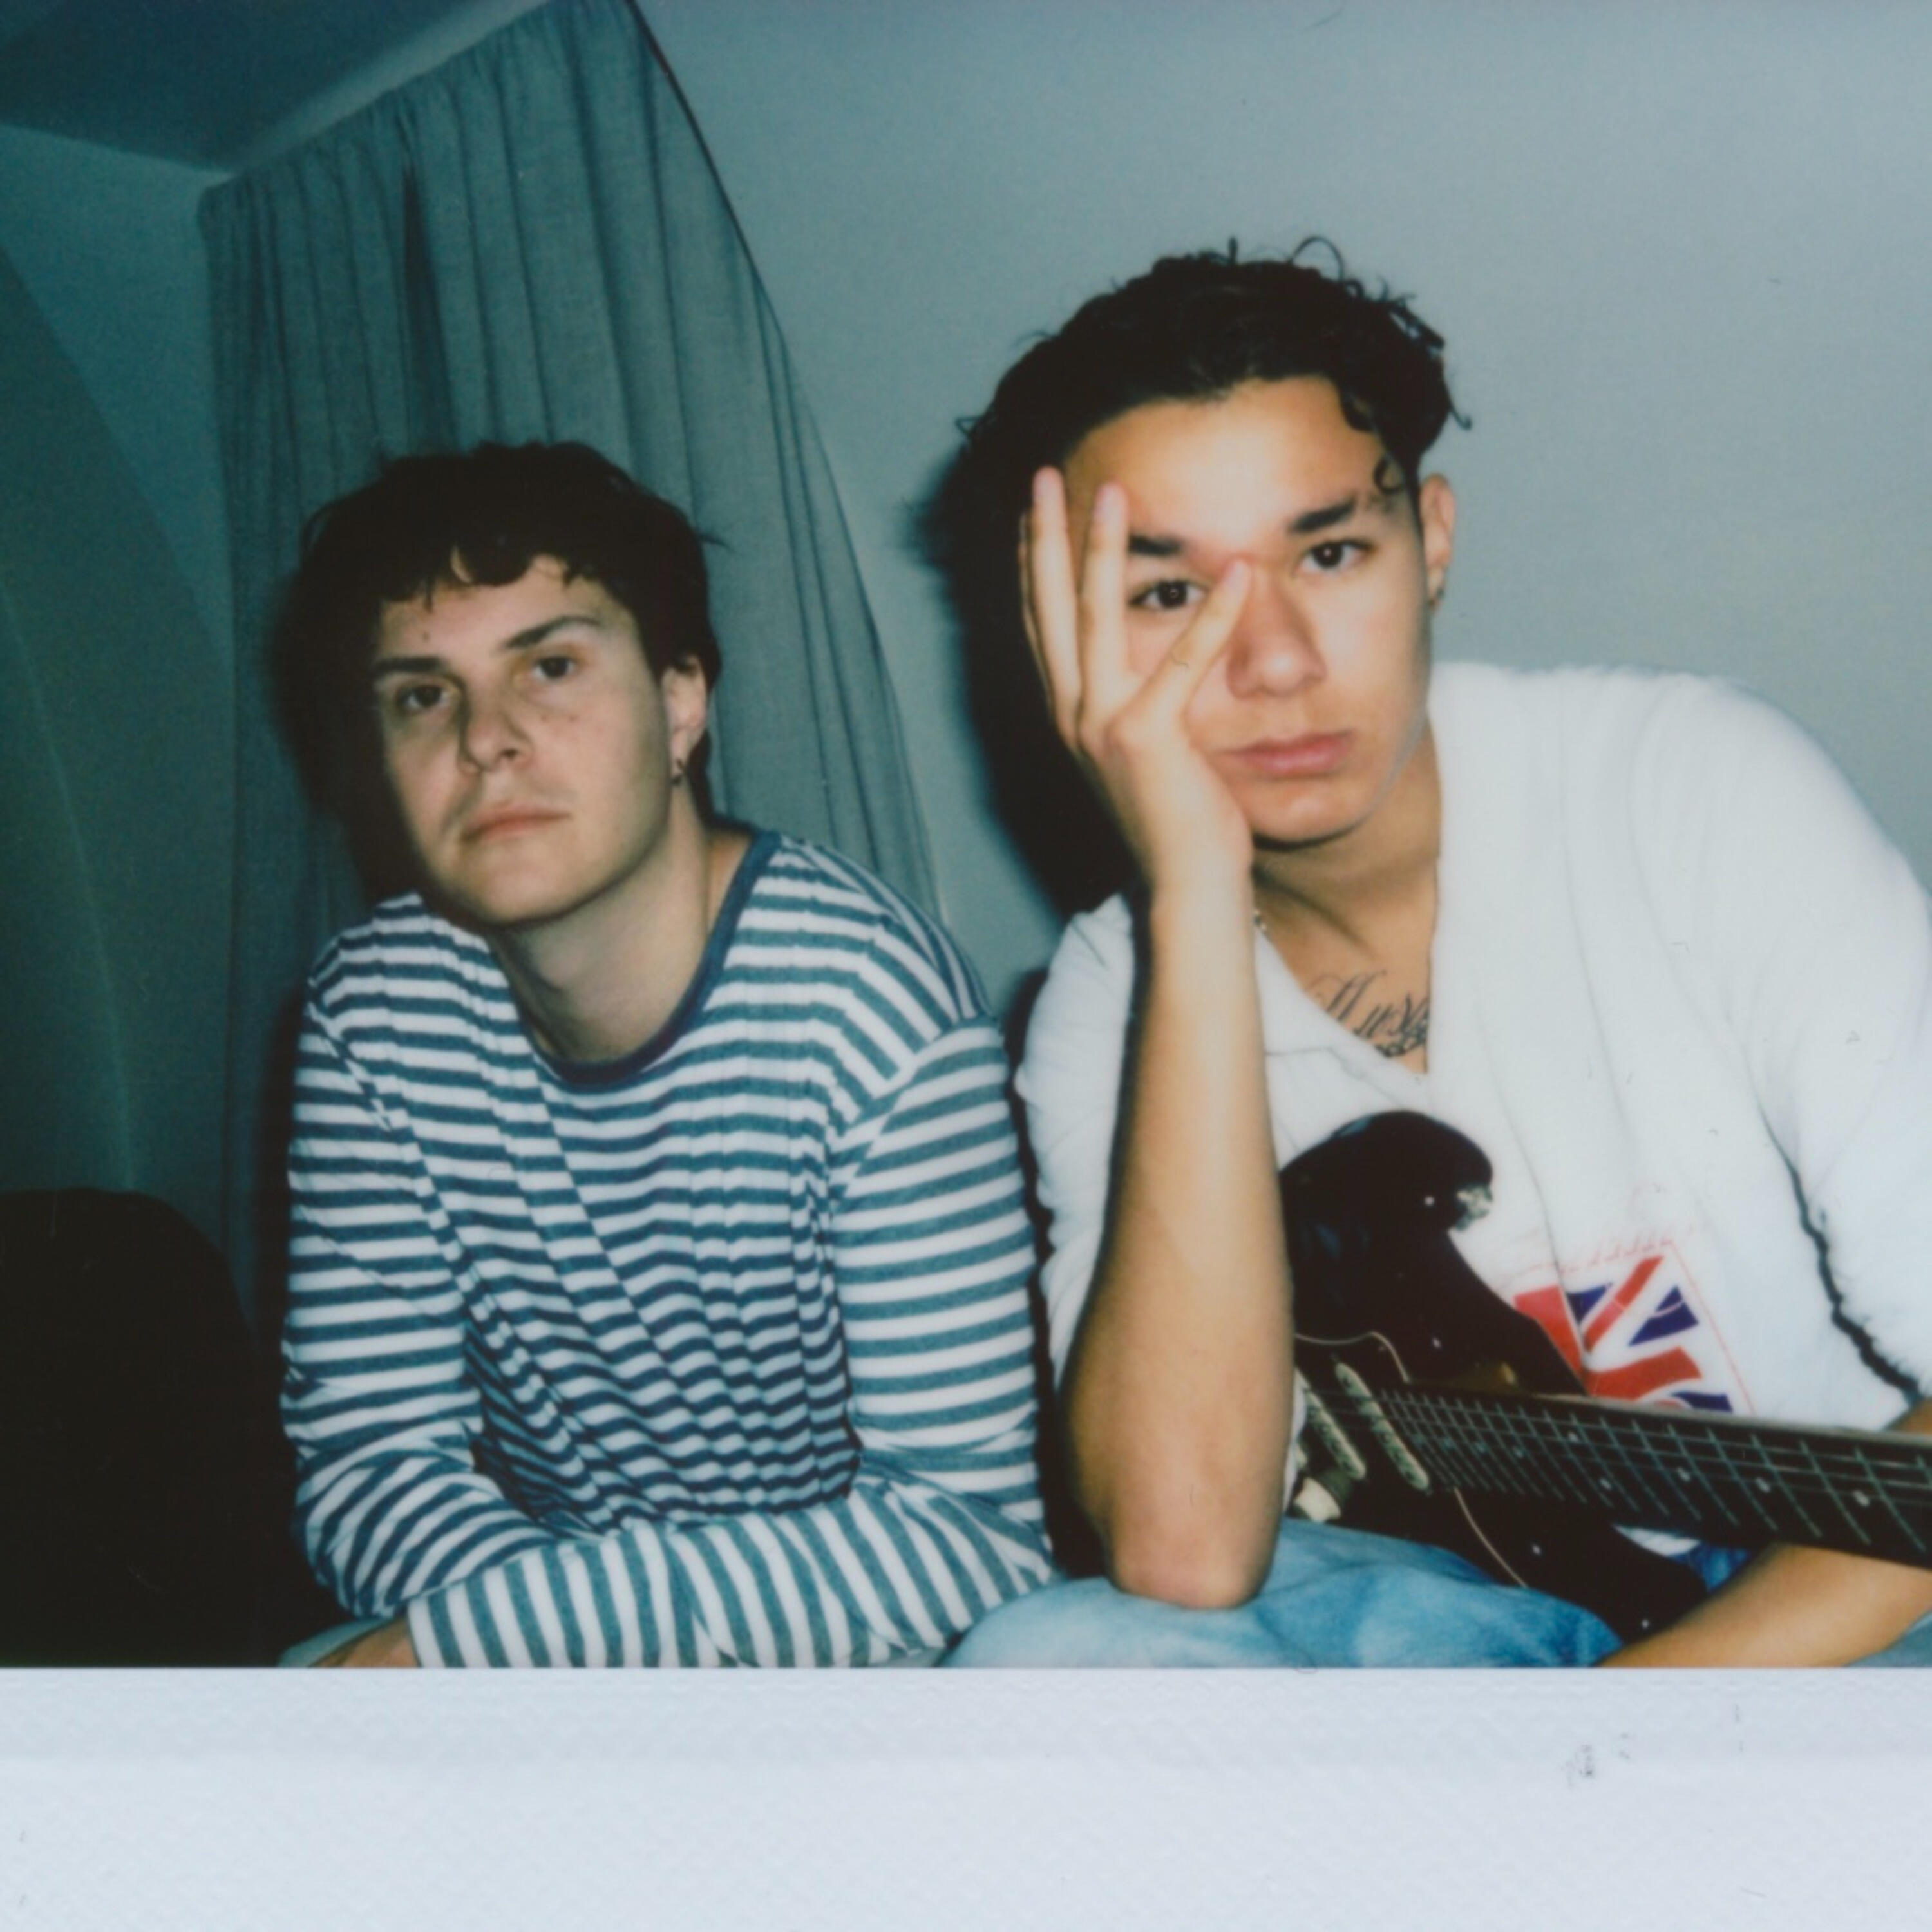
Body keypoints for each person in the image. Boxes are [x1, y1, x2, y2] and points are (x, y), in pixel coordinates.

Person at [940, 247, 1932, 1667]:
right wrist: (1193, 898)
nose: (1274, 661)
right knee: (1056, 1664)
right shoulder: (1112, 991)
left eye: (1329, 554)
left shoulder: (1691, 786)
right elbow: (1181, 1549)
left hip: (1865, 1585)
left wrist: (1598, 1742)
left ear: (1434, 545)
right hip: (1502, 1611)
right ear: (1067, 640)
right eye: (1169, 595)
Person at [271, 441, 1050, 1667]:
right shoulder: (373, 1017)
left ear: (683, 703)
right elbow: (371, 1461)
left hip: (860, 1654)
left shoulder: (870, 1013)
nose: (486, 740)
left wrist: (498, 1643)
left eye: (552, 667)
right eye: (423, 695)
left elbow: (969, 1541)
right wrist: (547, 1657)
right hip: (551, 1635)